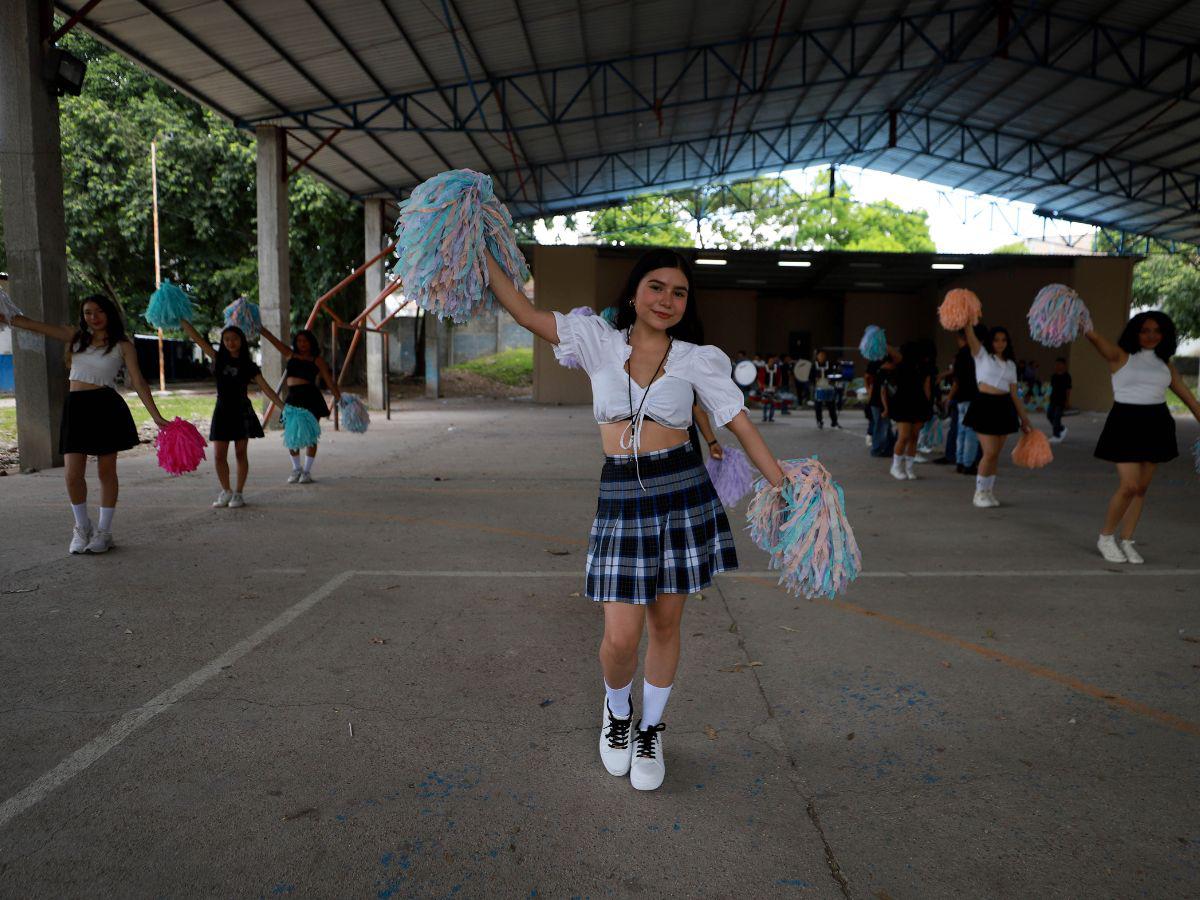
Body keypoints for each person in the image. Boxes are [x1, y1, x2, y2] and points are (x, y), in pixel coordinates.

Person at [484, 247, 784, 793]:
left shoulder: (698, 358)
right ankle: (617, 711)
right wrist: (476, 246)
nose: (667, 299)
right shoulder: (596, 340)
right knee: (621, 638)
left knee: (666, 625)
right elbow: (525, 313)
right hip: (622, 496)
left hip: (681, 494)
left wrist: (782, 483)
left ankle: (650, 728)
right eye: (657, 287)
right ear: (633, 292)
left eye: (679, 292)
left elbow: (739, 424)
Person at [0, 294, 169, 553]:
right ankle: (82, 527)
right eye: (88, 312)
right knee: (72, 474)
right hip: (76, 408)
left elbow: (138, 381)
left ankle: (104, 531)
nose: (94, 317)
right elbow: (30, 323)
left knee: (106, 472)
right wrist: (6, 315)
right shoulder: (76, 337)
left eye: (99, 311)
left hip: (106, 407)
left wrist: (156, 416)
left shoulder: (123, 345)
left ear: (109, 313)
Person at [1084, 312, 1200, 564]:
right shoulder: (1119, 356)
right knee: (1129, 485)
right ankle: (1106, 537)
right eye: (1145, 330)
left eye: (1157, 331)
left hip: (1156, 423)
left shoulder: (1167, 366)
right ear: (1135, 332)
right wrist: (1081, 319)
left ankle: (1127, 540)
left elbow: (1190, 400)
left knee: (1142, 489)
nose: (1151, 336)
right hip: (1125, 423)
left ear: (1165, 335)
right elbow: (1093, 337)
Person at [180, 319, 284, 507]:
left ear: (241, 341)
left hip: (242, 411)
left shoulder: (249, 365)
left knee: (240, 453)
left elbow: (267, 389)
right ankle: (226, 490)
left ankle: (239, 493)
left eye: (234, 339)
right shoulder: (218, 358)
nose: (230, 342)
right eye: (226, 339)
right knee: (219, 455)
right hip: (222, 410)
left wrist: (284, 407)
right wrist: (180, 317)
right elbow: (196, 337)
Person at [259, 326, 341, 483]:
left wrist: (339, 398)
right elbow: (274, 341)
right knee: (292, 434)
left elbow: (330, 381)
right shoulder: (290, 355)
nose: (302, 344)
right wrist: (262, 330)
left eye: (305, 341)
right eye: (299, 341)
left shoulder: (317, 360)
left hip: (311, 398)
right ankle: (296, 468)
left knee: (310, 436)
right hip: (293, 398)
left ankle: (307, 471)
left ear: (311, 343)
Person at [962, 324, 1032, 508]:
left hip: (1004, 407)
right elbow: (971, 337)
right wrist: (968, 321)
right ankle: (979, 493)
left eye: (1003, 340)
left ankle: (988, 491)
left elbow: (1015, 394)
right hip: (985, 405)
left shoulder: (1011, 365)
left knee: (995, 455)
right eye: (996, 340)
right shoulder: (982, 356)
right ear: (990, 341)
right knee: (990, 452)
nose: (1000, 343)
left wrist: (1024, 419)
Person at [883, 341, 933, 480]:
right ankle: (896, 466)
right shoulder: (902, 361)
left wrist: (928, 405)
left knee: (914, 437)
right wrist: (878, 338)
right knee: (904, 436)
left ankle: (909, 468)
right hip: (903, 402)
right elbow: (891, 350)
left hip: (919, 402)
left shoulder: (924, 366)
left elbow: (926, 386)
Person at [951, 326, 985, 476]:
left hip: (961, 397)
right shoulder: (977, 355)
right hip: (974, 397)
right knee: (971, 432)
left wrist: (951, 396)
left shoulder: (959, 355)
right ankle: (968, 463)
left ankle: (960, 461)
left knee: (961, 431)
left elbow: (956, 379)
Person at [864, 357, 895, 457]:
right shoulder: (883, 373)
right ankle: (877, 449)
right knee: (880, 426)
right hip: (878, 403)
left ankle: (889, 448)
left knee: (886, 425)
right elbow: (882, 392)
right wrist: (886, 408)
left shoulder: (881, 372)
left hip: (877, 402)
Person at [810, 350, 840, 429]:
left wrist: (831, 380)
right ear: (817, 357)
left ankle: (834, 422)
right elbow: (810, 377)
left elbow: (835, 375)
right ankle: (819, 421)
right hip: (818, 388)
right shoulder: (814, 366)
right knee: (818, 406)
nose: (822, 357)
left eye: (823, 355)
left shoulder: (830, 365)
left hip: (828, 387)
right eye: (820, 356)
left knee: (831, 406)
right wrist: (814, 380)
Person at [1046, 357, 1072, 443]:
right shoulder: (1054, 376)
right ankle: (1061, 428)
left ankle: (1056, 435)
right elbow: (1052, 388)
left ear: (1064, 365)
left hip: (1061, 400)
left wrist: (1067, 401)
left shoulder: (1067, 376)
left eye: (1059, 364)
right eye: (1056, 364)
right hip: (1053, 399)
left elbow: (1068, 389)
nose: (1057, 366)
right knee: (1049, 415)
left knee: (1057, 418)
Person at [759, 354, 783, 422]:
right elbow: (760, 378)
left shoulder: (777, 369)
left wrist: (778, 386)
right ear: (768, 361)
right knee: (765, 404)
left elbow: (779, 378)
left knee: (773, 404)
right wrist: (762, 385)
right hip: (765, 389)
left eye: (772, 361)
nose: (771, 362)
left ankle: (770, 417)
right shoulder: (763, 368)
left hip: (774, 389)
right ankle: (764, 417)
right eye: (770, 361)